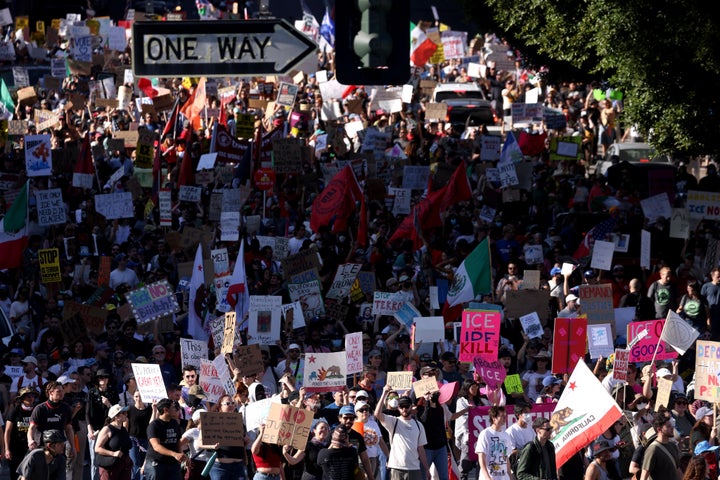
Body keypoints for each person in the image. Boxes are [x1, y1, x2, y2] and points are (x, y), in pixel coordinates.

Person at [375, 386, 429, 480]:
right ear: (398, 408)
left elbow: (421, 449)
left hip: (414, 468)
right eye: (401, 406)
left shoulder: (418, 425)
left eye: (407, 406)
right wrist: (384, 393)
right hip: (397, 467)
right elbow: (377, 414)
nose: (404, 409)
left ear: (411, 406)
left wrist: (427, 469)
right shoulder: (393, 421)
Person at [144, 398, 187, 480]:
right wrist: (174, 454)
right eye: (173, 407)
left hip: (173, 464)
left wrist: (181, 454)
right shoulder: (154, 425)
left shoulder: (174, 423)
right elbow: (156, 446)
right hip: (157, 464)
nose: (176, 409)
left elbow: (177, 441)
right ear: (166, 410)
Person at [5, 387, 38, 480]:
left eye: (33, 396)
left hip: (32, 447)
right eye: (28, 396)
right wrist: (7, 449)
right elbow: (7, 431)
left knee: (31, 474)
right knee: (15, 474)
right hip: (16, 448)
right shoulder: (15, 410)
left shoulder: (37, 409)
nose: (31, 398)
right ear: (22, 398)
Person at [94, 404, 133, 480]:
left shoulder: (123, 429)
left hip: (123, 466)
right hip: (109, 466)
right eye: (124, 413)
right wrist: (113, 453)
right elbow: (97, 448)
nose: (126, 414)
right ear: (116, 416)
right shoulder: (107, 429)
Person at [639, 413, 683, 480]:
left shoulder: (672, 445)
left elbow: (677, 470)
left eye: (671, 426)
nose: (672, 428)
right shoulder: (652, 449)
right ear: (659, 429)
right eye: (668, 426)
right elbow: (643, 477)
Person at [475, 405, 513, 480]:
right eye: (502, 416)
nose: (504, 418)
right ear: (494, 418)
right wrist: (487, 477)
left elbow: (506, 457)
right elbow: (481, 456)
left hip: (503, 477)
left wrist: (510, 476)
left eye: (505, 416)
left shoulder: (506, 435)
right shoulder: (485, 434)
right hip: (490, 476)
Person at [181, 409, 211, 480]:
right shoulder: (193, 431)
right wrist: (185, 459)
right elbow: (179, 444)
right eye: (205, 416)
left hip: (210, 464)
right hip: (196, 465)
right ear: (199, 419)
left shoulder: (211, 431)